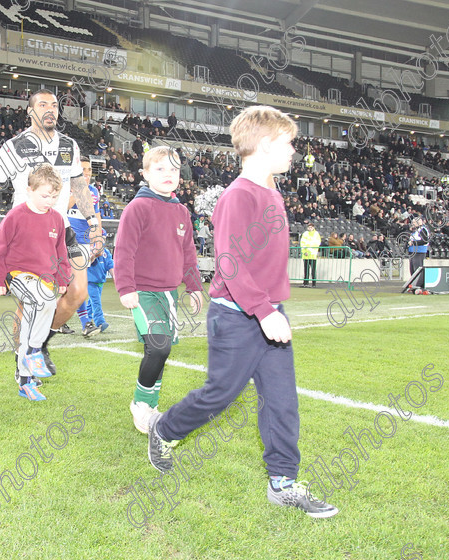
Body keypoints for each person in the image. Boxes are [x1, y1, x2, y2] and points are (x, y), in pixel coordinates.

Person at [146, 106, 339, 518]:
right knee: (220, 394)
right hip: (237, 315)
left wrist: (272, 308)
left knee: (282, 400)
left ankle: (283, 483)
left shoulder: (271, 191)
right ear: (266, 145)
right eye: (288, 143)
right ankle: (164, 429)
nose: (294, 150)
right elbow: (230, 262)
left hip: (267, 310)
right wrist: (264, 312)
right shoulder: (238, 195)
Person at [0, 89, 102, 376]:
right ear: (30, 111)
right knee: (28, 303)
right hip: (26, 233)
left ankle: (38, 346)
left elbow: (79, 188)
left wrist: (94, 223)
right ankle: (23, 363)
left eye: (54, 105)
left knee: (78, 292)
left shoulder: (70, 145)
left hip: (62, 229)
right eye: (42, 104)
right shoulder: (14, 146)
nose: (50, 109)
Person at [114, 146, 203, 434]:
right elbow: (124, 251)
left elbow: (188, 253)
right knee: (159, 345)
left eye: (174, 170)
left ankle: (150, 407)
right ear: (145, 174)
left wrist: (194, 287)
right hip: (142, 291)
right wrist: (126, 288)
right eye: (160, 169)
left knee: (161, 351)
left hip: (169, 293)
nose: (168, 174)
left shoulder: (181, 211)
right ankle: (140, 404)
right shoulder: (138, 208)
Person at [0, 164, 71, 401]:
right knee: (43, 301)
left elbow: (61, 253)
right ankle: (34, 354)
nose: (50, 201)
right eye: (45, 195)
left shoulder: (56, 220)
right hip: (18, 275)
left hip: (44, 280)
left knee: (37, 316)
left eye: (54, 196)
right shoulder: (16, 216)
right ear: (29, 190)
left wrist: (63, 278)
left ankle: (25, 379)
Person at [68, 158, 102, 336]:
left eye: (89, 169)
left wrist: (98, 240)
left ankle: (63, 321)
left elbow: (96, 216)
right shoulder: (64, 188)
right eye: (83, 170)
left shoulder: (94, 191)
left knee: (77, 285)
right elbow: (64, 207)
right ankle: (84, 322)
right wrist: (78, 192)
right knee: (74, 285)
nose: (87, 173)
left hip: (84, 243)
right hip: (65, 241)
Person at [87, 246, 114, 333]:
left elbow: (110, 265)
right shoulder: (89, 249)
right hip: (90, 281)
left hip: (100, 281)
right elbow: (89, 261)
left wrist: (116, 278)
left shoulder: (106, 252)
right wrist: (95, 254)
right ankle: (100, 322)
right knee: (96, 302)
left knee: (91, 303)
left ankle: (86, 320)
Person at [407, 216, 429, 291]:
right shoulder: (415, 231)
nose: (412, 224)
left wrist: (413, 243)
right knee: (412, 269)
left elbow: (425, 241)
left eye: (414, 222)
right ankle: (414, 285)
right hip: (413, 251)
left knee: (417, 269)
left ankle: (418, 285)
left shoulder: (422, 230)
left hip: (419, 252)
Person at [300, 222, 321, 287]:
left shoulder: (316, 234)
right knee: (306, 269)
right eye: (309, 227)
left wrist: (312, 249)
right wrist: (304, 251)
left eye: (311, 227)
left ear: (313, 227)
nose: (310, 228)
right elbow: (302, 243)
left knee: (313, 270)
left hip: (313, 254)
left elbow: (317, 242)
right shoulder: (305, 234)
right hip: (306, 254)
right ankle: (305, 283)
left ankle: (314, 284)